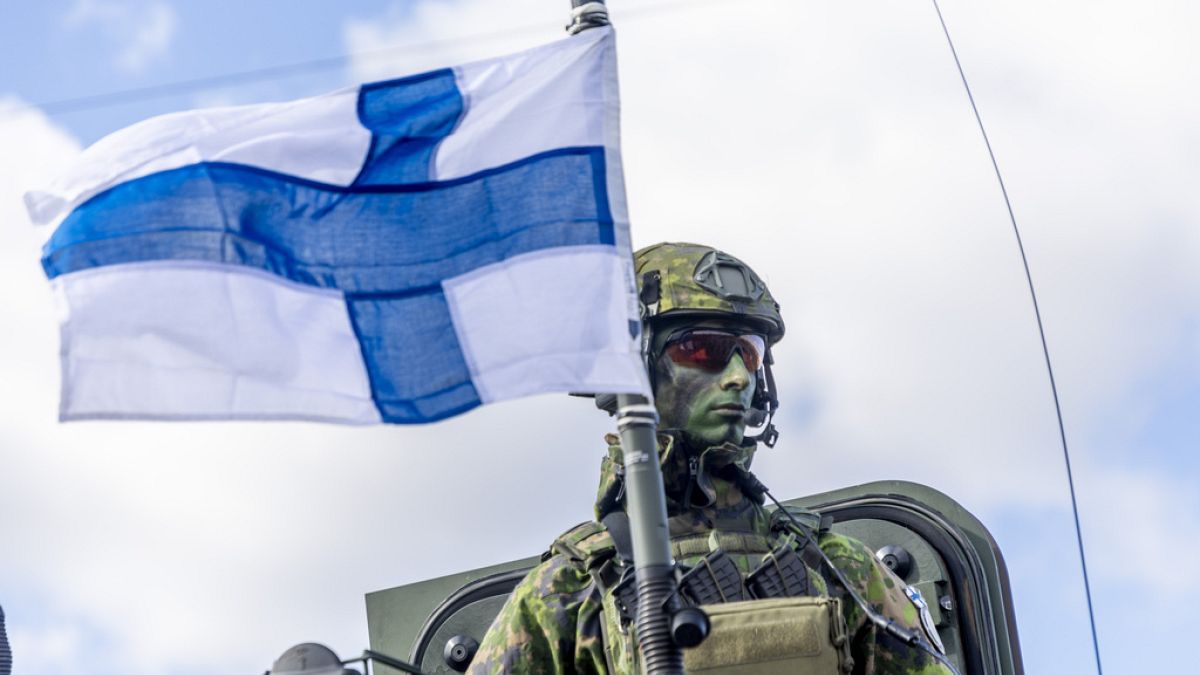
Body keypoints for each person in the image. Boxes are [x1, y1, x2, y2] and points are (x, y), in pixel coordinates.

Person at [467, 243, 951, 675]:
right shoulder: (571, 591)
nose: (739, 376)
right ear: (636, 367)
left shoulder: (834, 566)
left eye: (750, 354)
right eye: (706, 350)